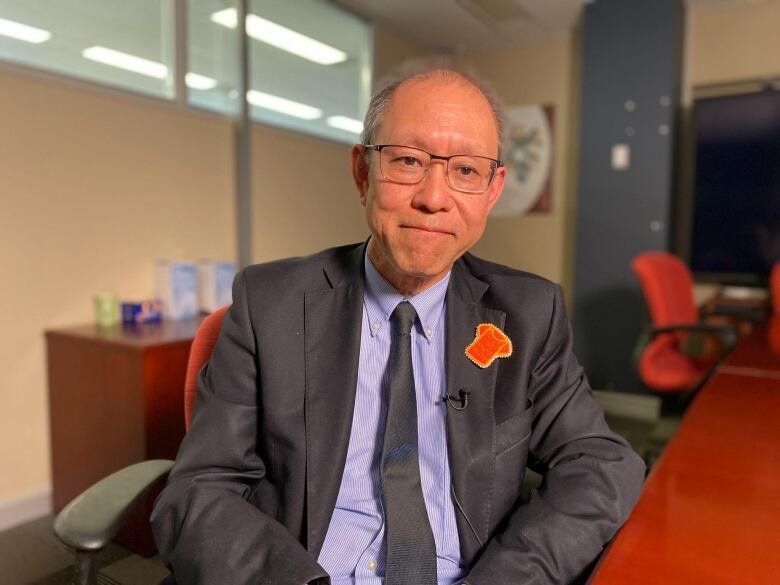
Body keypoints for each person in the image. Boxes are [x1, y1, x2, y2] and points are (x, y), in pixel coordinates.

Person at [151, 62, 645, 585]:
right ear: (362, 172)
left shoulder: (529, 314)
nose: (434, 198)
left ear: (492, 190)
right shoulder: (269, 303)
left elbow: (602, 463)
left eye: (466, 170)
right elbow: (198, 489)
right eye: (408, 161)